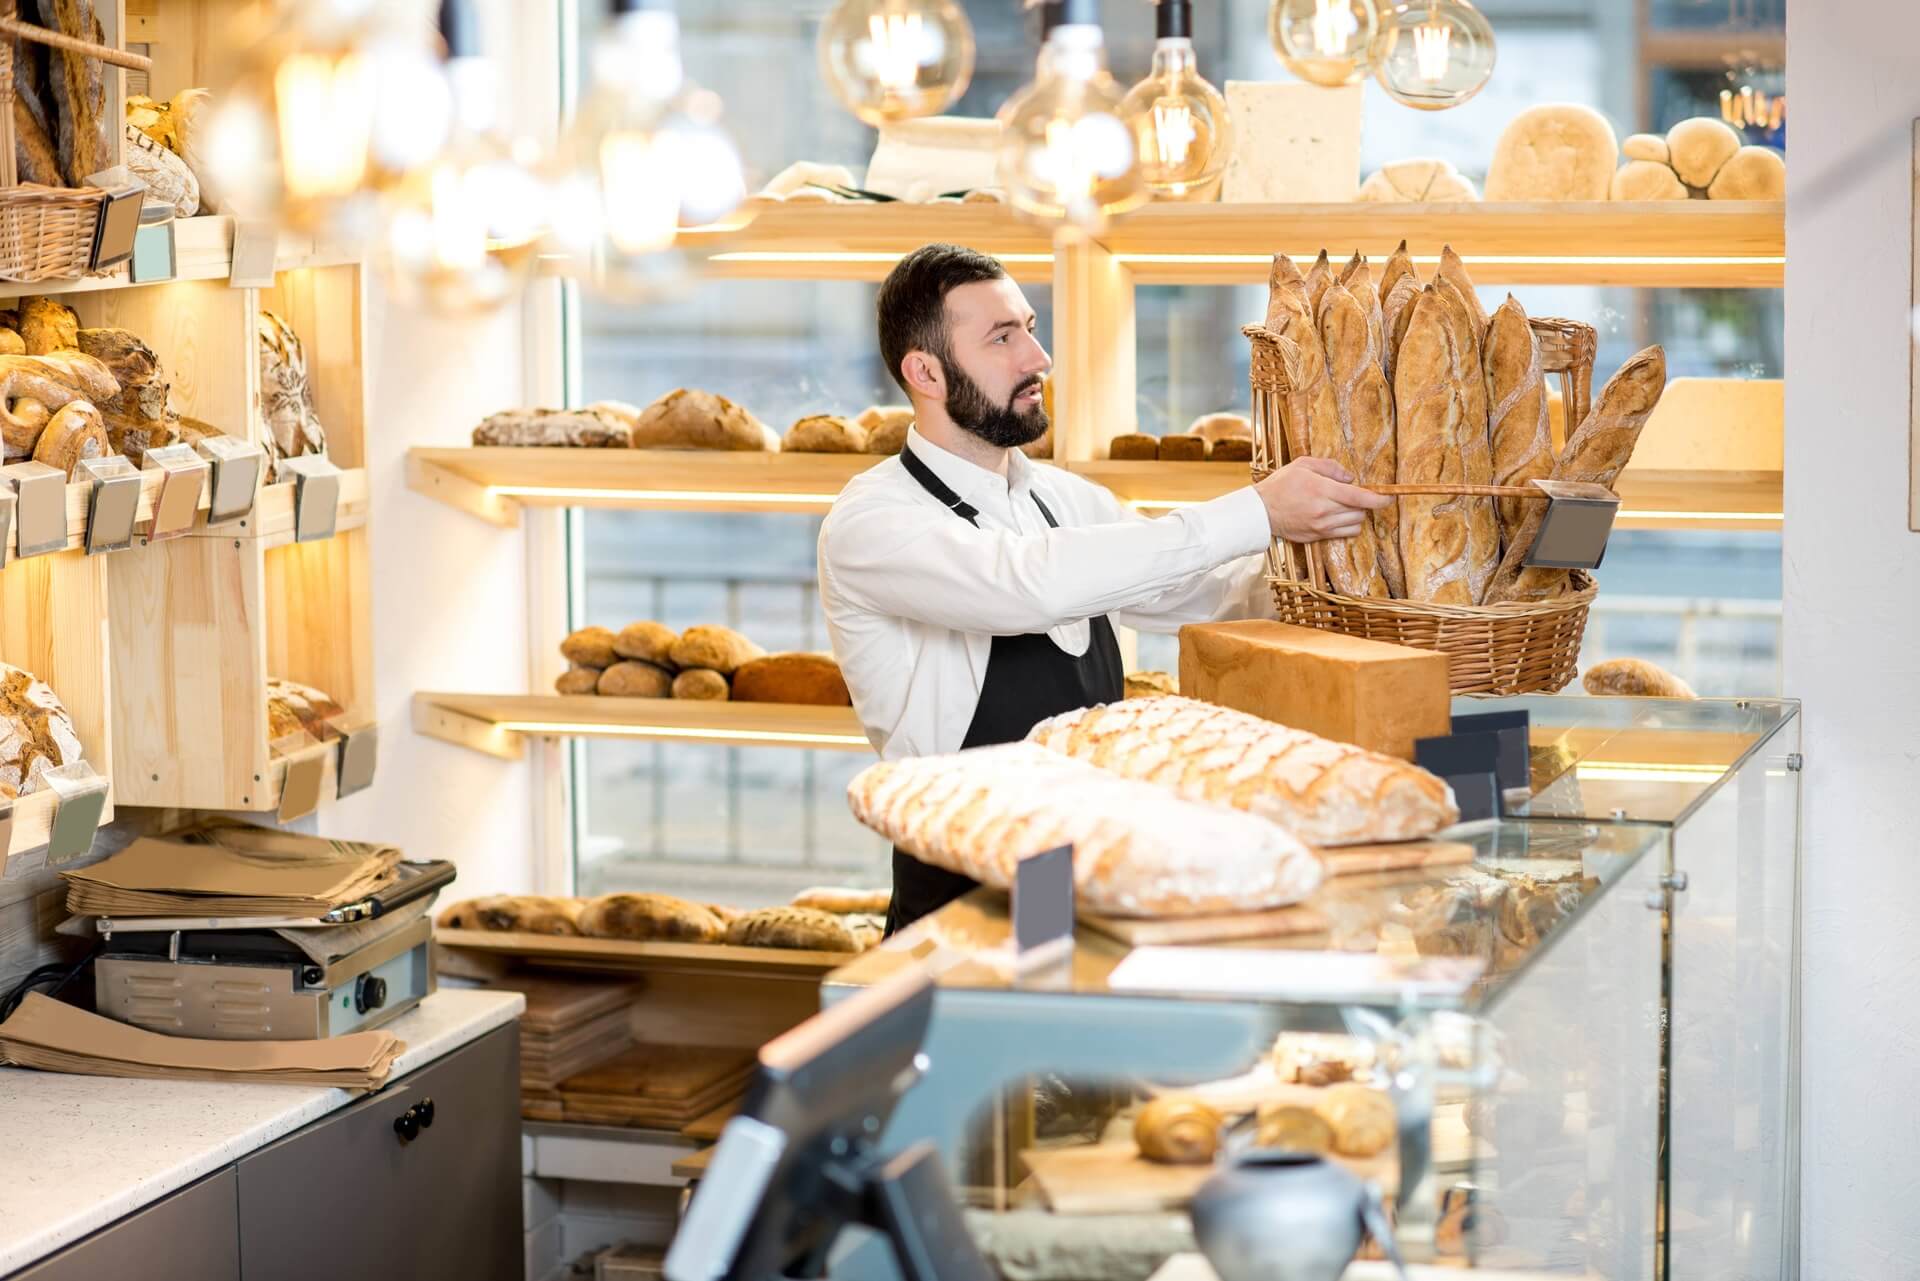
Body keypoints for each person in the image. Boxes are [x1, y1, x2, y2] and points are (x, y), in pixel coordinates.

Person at [817, 242, 1389, 934]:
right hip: (961, 905)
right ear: (924, 372)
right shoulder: (872, 521)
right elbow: (1026, 587)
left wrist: (1358, 560)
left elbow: (1211, 594)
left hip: (1092, 880)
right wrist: (1258, 511)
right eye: (1003, 337)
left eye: (1029, 326)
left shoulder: (1063, 497)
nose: (1038, 357)